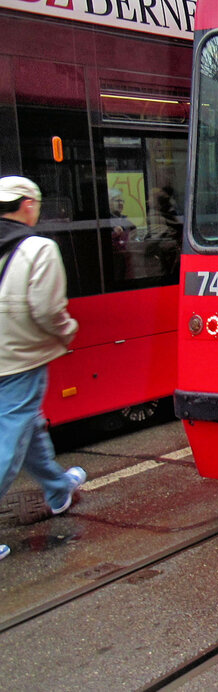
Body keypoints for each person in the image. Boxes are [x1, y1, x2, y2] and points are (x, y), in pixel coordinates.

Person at [0, 176, 86, 561]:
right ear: (28, 205)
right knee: (9, 440)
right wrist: (68, 333)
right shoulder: (37, 248)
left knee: (28, 424)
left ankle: (57, 489)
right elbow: (48, 310)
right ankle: (56, 487)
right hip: (18, 359)